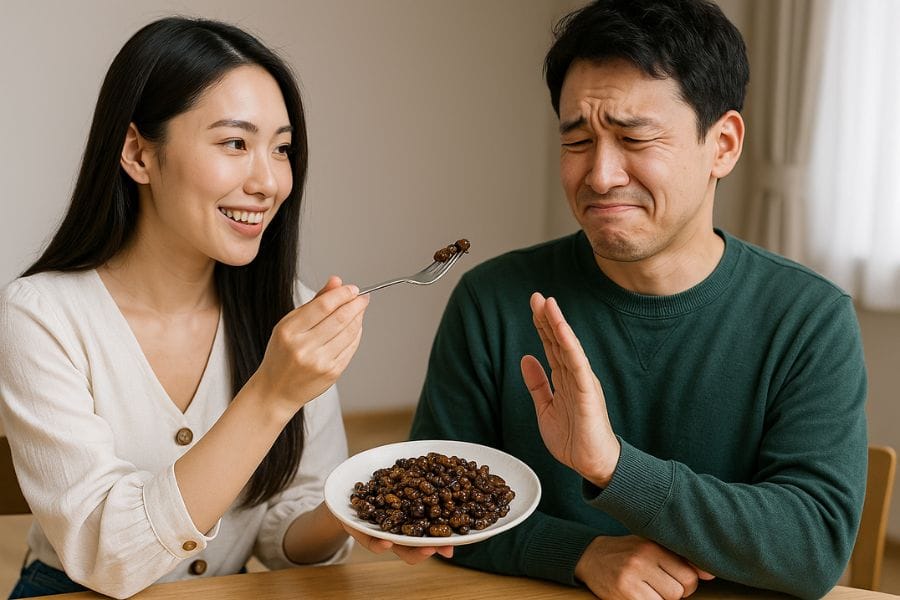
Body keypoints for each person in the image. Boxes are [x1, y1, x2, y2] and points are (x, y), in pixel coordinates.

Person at [409, 1, 867, 599]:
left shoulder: (809, 319)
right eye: (577, 140)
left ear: (722, 145)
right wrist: (580, 554)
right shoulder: (492, 300)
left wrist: (616, 468)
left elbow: (812, 547)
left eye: (634, 138)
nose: (600, 175)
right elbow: (429, 510)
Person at [0, 16, 447, 600]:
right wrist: (273, 393)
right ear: (138, 153)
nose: (268, 182)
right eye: (235, 143)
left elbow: (278, 529)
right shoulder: (41, 316)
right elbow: (109, 557)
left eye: (281, 148)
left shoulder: (287, 308)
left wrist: (357, 507)